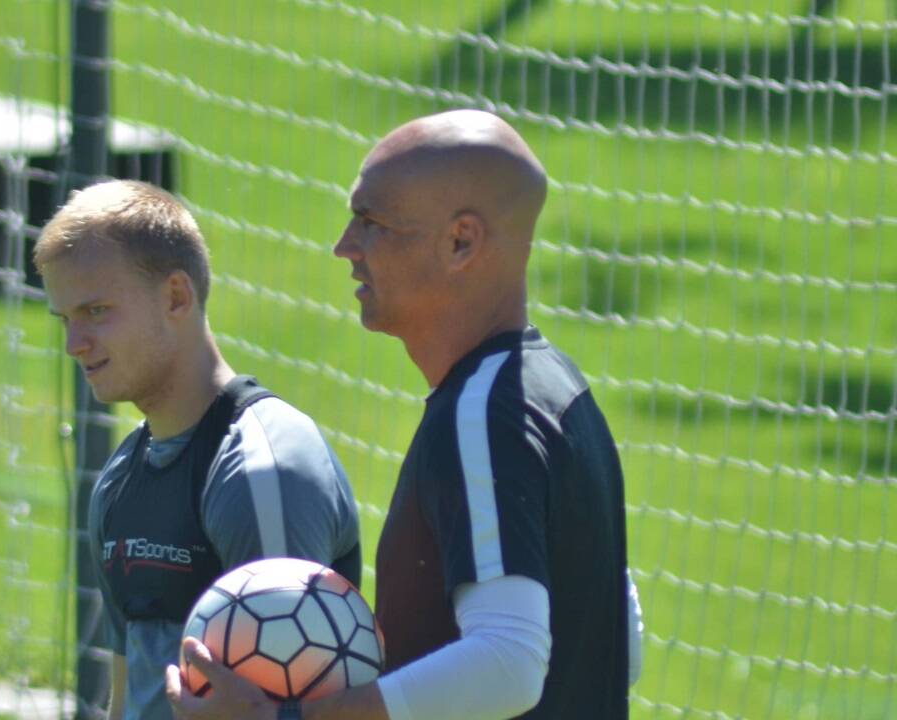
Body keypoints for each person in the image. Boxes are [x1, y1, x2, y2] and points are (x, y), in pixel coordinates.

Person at [165, 110, 643, 720]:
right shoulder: (559, 393)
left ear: (461, 242)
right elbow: (618, 647)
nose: (344, 246)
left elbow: (511, 664)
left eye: (372, 222)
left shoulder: (484, 415)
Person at [35, 180, 362, 720]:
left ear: (176, 298)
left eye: (95, 311)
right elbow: (127, 697)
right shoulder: (120, 482)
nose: (74, 344)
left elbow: (294, 702)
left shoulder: (261, 470)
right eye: (65, 319)